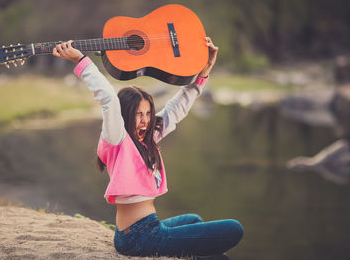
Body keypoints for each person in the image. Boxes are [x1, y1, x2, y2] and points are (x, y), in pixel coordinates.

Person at [53, 37, 243, 258]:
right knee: (234, 228)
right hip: (139, 238)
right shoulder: (117, 138)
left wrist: (203, 72)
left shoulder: (147, 138)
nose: (145, 120)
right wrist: (81, 60)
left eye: (148, 113)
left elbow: (176, 109)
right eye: (138, 114)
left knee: (194, 220)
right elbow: (108, 100)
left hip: (146, 228)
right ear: (125, 114)